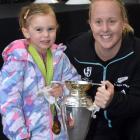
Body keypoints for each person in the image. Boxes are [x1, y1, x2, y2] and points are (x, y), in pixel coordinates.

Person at [0, 3, 80, 140]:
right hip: (30, 136)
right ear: (26, 31)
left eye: (50, 29)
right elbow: (9, 103)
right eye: (39, 29)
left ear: (57, 28)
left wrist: (63, 89)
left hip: (61, 134)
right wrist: (20, 136)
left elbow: (76, 85)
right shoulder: (17, 61)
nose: (46, 35)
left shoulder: (60, 56)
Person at [65, 0, 140, 140]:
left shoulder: (137, 52)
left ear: (123, 22)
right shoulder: (74, 50)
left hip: (129, 131)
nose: (105, 29)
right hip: (89, 131)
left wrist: (113, 100)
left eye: (112, 21)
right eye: (98, 22)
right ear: (90, 24)